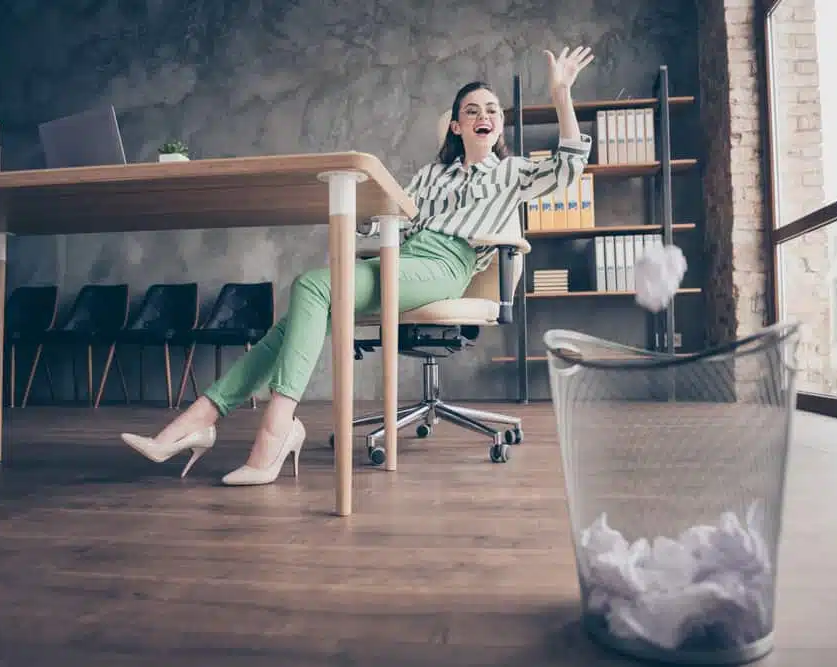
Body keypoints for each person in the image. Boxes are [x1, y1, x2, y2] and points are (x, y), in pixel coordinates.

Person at [120, 45, 595, 486]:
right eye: (471, 111)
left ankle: (262, 431)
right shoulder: (432, 175)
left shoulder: (511, 174)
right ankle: (203, 419)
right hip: (402, 257)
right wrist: (363, 215)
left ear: (499, 126)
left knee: (312, 287)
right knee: (302, 306)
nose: (483, 116)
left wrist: (560, 93)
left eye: (491, 111)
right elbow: (396, 223)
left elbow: (570, 165)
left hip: (446, 267)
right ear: (456, 126)